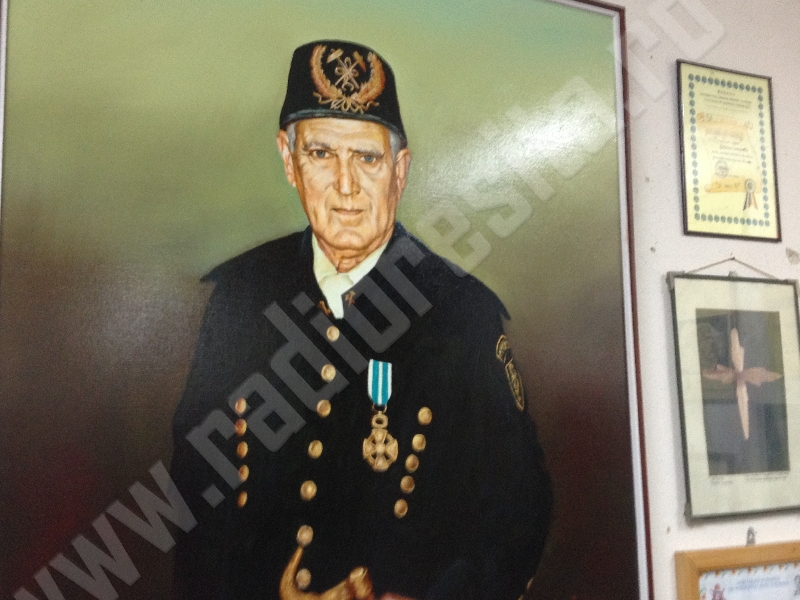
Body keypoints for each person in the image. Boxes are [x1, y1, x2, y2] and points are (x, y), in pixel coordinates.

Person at [170, 40, 552, 600]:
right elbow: (194, 487)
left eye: (367, 159)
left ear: (400, 170)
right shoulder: (241, 296)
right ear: (289, 161)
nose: (345, 186)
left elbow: (519, 513)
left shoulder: (460, 315)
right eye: (321, 154)